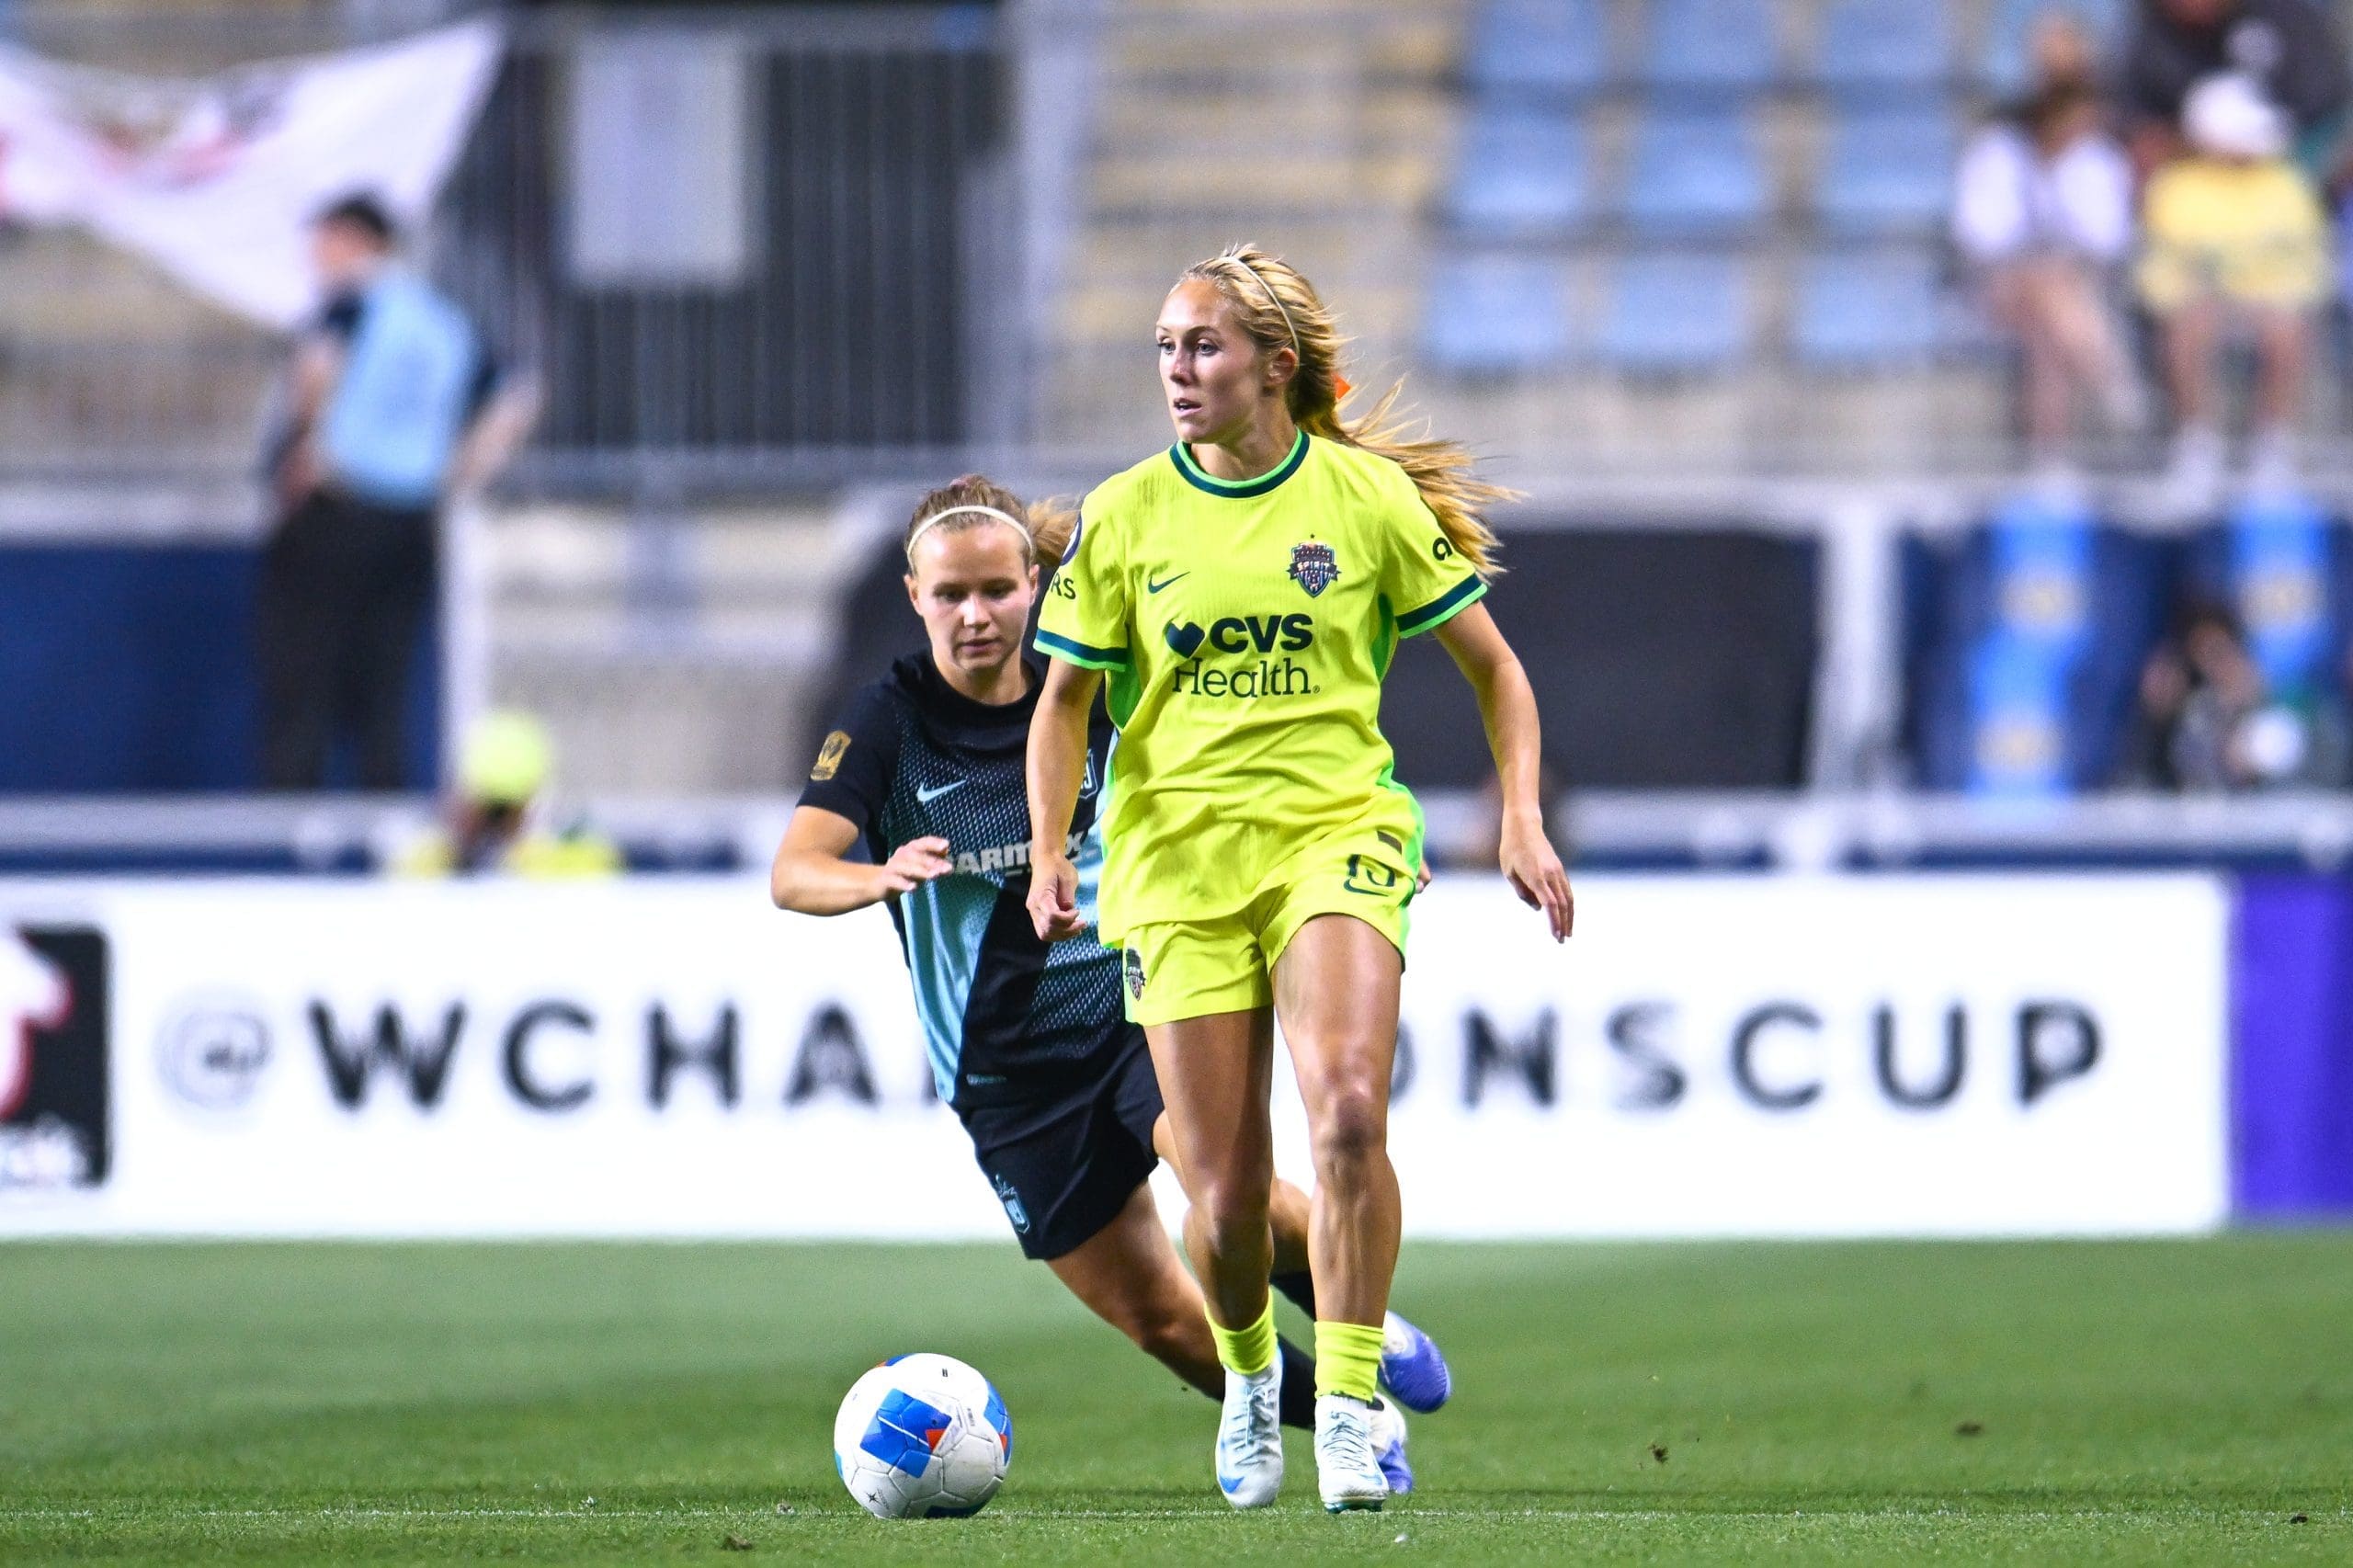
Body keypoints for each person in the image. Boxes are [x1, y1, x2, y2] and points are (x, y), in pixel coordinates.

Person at [770, 476, 1452, 1494]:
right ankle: (1352, 1421)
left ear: (1034, 584)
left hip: (1133, 1000)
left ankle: (1362, 1319)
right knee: (1165, 1321)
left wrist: (1346, 827)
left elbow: (1245, 750)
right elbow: (794, 869)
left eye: (996, 590)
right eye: (950, 594)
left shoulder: (1088, 681)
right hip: (1004, 1075)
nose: (975, 614)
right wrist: (879, 874)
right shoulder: (888, 723)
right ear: (915, 595)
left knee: (1233, 1195)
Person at [1025, 246, 1571, 1513]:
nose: (1177, 369)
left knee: (1347, 1111)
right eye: (1164, 347)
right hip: (1173, 861)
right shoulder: (1124, 515)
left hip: (1334, 834)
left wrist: (1522, 817)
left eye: (1203, 346)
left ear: (1276, 365)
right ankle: (1254, 1375)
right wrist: (1056, 848)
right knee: (1218, 1195)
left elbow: (1496, 669)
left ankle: (1351, 1405)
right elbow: (1063, 706)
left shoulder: (1366, 499)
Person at [257, 191, 538, 790]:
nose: (315, 256)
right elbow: (514, 397)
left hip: (338, 507)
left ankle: (288, 822)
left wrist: (307, 447)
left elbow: (316, 368)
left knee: (306, 674)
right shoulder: (440, 320)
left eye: (326, 240)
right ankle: (381, 808)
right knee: (386, 681)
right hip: (410, 519)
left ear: (359, 243)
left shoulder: (351, 306)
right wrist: (456, 473)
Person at [2135, 73, 2332, 506]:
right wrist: (2221, 283)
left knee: (2286, 327)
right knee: (2190, 323)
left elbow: (2303, 260)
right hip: (2200, 305)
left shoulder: (2285, 183)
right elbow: (2168, 267)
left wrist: (2248, 284)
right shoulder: (2177, 186)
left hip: (2267, 302)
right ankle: (2196, 448)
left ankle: (2271, 449)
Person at [1951, 17, 2141, 467]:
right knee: (2045, 286)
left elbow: (2110, 239)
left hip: (2080, 292)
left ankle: (2048, 461)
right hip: (1996, 288)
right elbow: (1977, 233)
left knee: (2049, 327)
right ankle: (2117, 390)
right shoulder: (1998, 145)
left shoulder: (2099, 156)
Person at [2119, 0, 2348, 181]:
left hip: (2291, 168)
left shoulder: (2285, 17)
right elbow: (2140, 126)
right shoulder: (2151, 33)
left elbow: (2325, 102)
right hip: (2191, 179)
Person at [388, 710, 621, 878]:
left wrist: (519, 856)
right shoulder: (433, 856)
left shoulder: (576, 852)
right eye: (487, 808)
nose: (495, 822)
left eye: (506, 810)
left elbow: (596, 864)